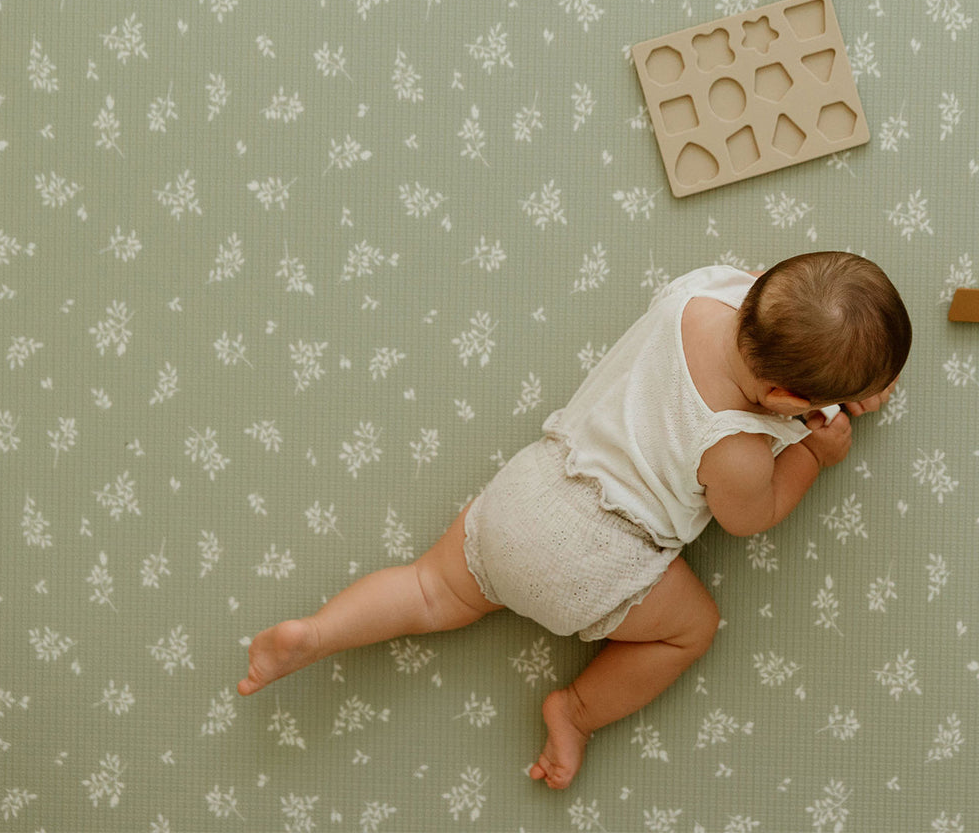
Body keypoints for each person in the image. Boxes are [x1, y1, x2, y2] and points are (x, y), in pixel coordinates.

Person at [237, 251, 911, 790]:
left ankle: (318, 631)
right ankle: (577, 711)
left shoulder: (700, 289)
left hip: (533, 491)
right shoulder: (736, 447)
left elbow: (787, 319)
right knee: (690, 629)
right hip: (600, 557)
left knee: (426, 589)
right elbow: (751, 517)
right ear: (788, 399)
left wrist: (833, 382)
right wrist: (815, 456)